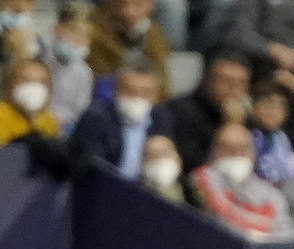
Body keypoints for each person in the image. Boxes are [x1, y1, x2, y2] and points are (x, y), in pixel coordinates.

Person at [188, 122, 294, 240]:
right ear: (214, 151)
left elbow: (289, 236)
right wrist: (259, 232)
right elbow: (221, 222)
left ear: (253, 152)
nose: (236, 154)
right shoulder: (202, 178)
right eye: (227, 148)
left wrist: (261, 238)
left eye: (243, 148)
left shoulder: (271, 194)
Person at [69, 63, 168, 177]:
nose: (136, 97)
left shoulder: (160, 119)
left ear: (155, 97)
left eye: (145, 92)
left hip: (144, 188)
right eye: (128, 90)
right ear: (115, 91)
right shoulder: (95, 118)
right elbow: (91, 167)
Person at [164, 50, 251, 174]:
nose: (234, 89)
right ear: (208, 81)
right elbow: (191, 163)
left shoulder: (245, 115)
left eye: (241, 83)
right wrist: (230, 127)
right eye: (227, 81)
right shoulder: (180, 110)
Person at [89, 0, 169, 93]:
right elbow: (99, 77)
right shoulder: (93, 32)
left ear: (150, 7)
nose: (128, 11)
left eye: (137, 5)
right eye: (121, 3)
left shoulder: (154, 34)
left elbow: (162, 79)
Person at [44, 0, 93, 133]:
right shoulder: (40, 60)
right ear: (56, 29)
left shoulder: (83, 71)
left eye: (85, 36)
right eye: (73, 31)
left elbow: (81, 108)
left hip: (66, 127)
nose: (78, 40)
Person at [0, 58, 58, 145]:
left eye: (42, 82)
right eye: (26, 80)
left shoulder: (49, 122)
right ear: (9, 85)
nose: (34, 87)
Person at [138, 131, 183, 201]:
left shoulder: (190, 198)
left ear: (179, 160)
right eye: (153, 156)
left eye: (165, 153)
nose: (160, 160)